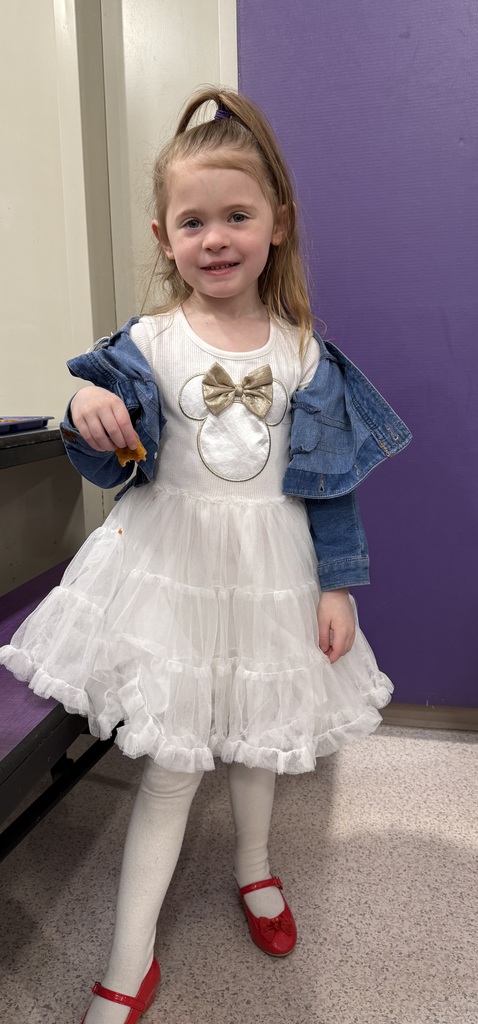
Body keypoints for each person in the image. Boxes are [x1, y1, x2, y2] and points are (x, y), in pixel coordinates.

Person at [0, 89, 411, 1023]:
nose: (215, 237)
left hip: (273, 574)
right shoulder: (145, 344)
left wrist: (340, 587)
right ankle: (127, 958)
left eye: (237, 215)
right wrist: (81, 415)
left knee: (258, 745)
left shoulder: (307, 355)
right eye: (194, 221)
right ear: (164, 233)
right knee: (174, 764)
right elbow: (105, 451)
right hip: (170, 570)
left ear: (278, 224)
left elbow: (331, 484)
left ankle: (256, 871)